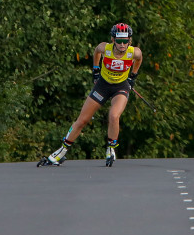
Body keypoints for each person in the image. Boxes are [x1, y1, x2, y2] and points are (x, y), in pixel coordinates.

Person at [46, 23, 142, 165]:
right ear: (113, 39)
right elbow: (96, 52)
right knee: (82, 120)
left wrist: (132, 77)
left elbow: (139, 60)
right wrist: (96, 70)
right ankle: (61, 152)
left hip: (120, 87)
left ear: (130, 41)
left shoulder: (134, 52)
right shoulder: (105, 48)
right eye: (119, 41)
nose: (122, 44)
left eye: (125, 41)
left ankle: (111, 149)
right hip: (103, 85)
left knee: (114, 115)